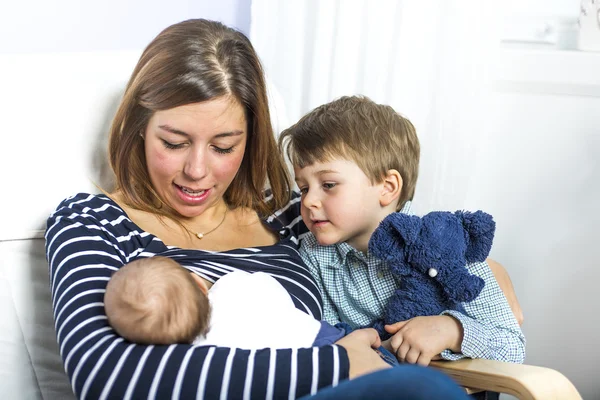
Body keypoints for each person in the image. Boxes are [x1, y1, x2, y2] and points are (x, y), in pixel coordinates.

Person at [45, 19, 475, 399]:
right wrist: (336, 365)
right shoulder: (90, 223)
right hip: (335, 378)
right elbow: (107, 377)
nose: (196, 170)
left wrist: (484, 279)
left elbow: (412, 247)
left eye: (223, 146)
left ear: (250, 141)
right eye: (174, 143)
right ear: (139, 130)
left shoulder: (294, 214)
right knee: (422, 390)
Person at [279, 95, 526, 367]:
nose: (308, 201)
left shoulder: (449, 246)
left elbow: (512, 346)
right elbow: (317, 341)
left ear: (387, 187)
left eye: (328, 184)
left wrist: (451, 330)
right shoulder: (314, 258)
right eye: (303, 188)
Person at [104, 256, 350, 349]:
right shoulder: (233, 285)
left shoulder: (203, 352)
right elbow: (269, 285)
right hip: (324, 337)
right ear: (199, 284)